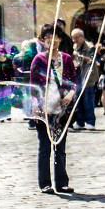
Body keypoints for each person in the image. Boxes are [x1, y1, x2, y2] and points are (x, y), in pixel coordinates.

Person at [30, 24, 76, 193]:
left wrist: (70, 95)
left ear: (60, 38)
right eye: (49, 37)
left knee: (60, 148)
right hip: (44, 108)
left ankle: (62, 182)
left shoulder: (66, 59)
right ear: (43, 40)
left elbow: (73, 82)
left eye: (56, 36)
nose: (53, 40)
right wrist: (35, 105)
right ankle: (45, 183)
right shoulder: (39, 59)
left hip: (61, 110)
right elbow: (33, 86)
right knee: (45, 148)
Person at [69, 29, 97, 130]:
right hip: (77, 76)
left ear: (82, 36)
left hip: (87, 75)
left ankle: (90, 121)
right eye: (73, 38)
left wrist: (79, 56)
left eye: (76, 37)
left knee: (88, 99)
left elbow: (92, 60)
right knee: (78, 99)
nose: (74, 40)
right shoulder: (74, 47)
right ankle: (79, 121)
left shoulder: (90, 47)